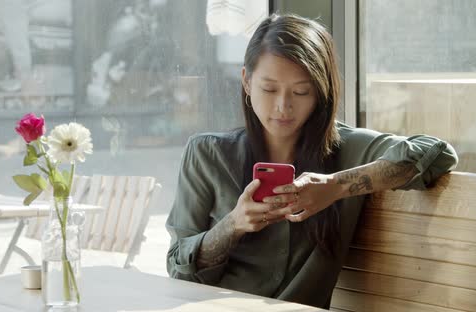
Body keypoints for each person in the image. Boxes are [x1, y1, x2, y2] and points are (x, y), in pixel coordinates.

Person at [165, 13, 459, 309]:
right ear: (246, 81)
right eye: (269, 89)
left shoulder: (347, 149)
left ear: (320, 91)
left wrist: (335, 186)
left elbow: (436, 153)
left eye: (301, 91)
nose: (283, 106)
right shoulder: (206, 154)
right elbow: (178, 272)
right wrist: (233, 225)